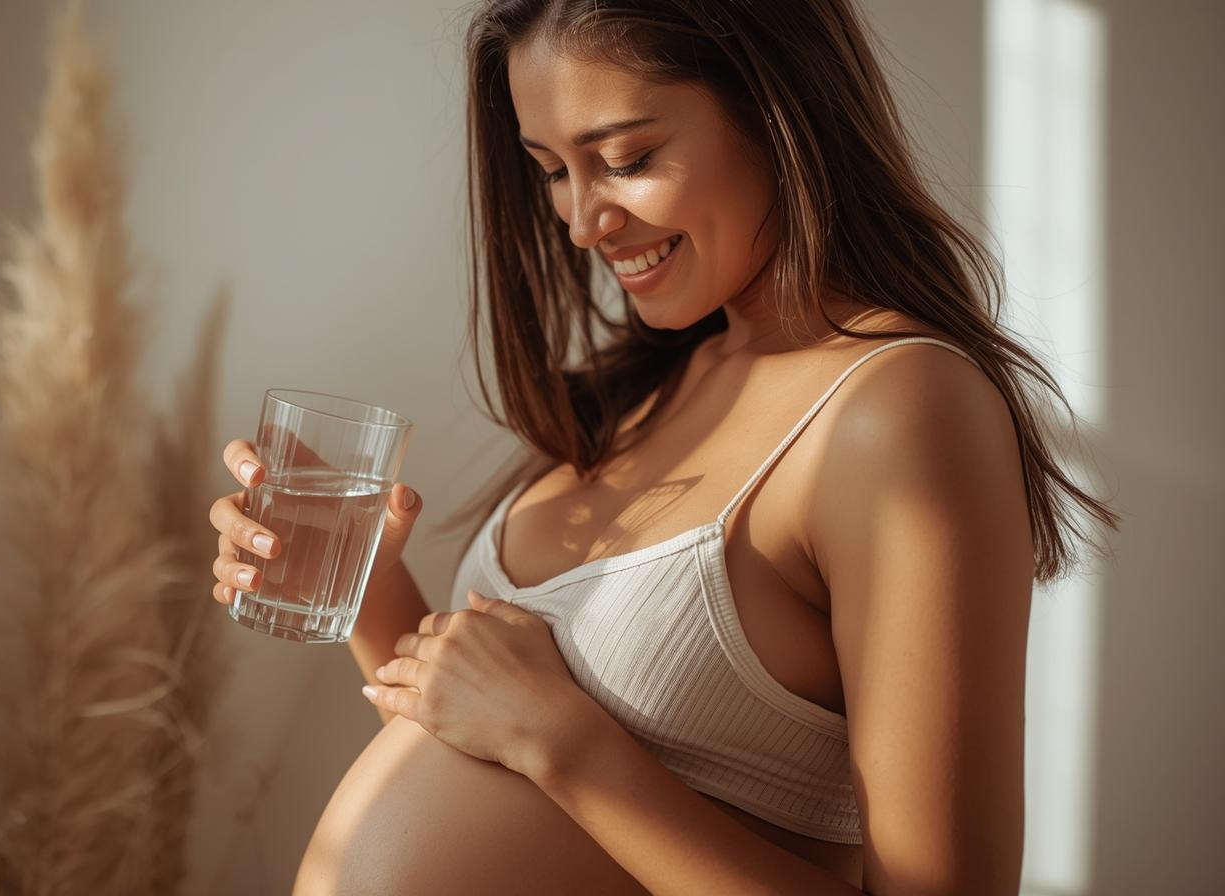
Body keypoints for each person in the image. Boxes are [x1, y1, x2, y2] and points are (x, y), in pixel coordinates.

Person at [208, 1, 1117, 892]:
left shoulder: (900, 410)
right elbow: (480, 741)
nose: (580, 221)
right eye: (552, 171)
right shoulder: (654, 383)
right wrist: (356, 585)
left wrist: (565, 745)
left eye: (626, 159)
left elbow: (545, 742)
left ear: (779, 110)